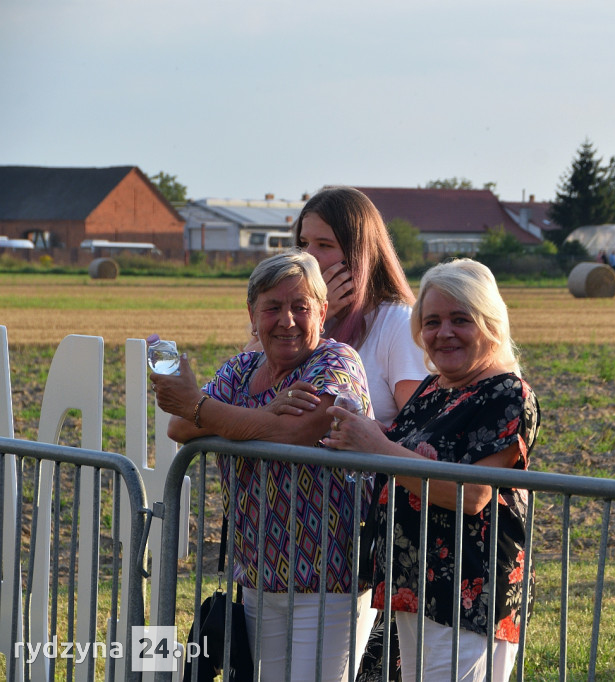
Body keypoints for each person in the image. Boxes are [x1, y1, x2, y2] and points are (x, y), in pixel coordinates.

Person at [152, 251, 377, 681]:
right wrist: (266, 414)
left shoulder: (337, 362)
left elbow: (299, 433)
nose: (286, 320)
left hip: (330, 582)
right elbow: (180, 425)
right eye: (272, 307)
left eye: (300, 307)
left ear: (323, 312)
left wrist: (206, 409)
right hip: (260, 577)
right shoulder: (242, 368)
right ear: (252, 314)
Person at [325, 258, 540, 682]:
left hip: (468, 592)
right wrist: (362, 424)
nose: (443, 333)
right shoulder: (434, 387)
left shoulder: (506, 393)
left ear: (490, 323)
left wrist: (378, 446)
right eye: (432, 320)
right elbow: (403, 445)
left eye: (461, 319)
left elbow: (474, 494)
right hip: (415, 584)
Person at [259, 186, 426, 427]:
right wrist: (316, 316)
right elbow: (248, 382)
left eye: (324, 245)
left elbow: (416, 429)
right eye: (304, 243)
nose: (308, 256)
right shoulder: (294, 318)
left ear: (359, 253)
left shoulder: (398, 323)